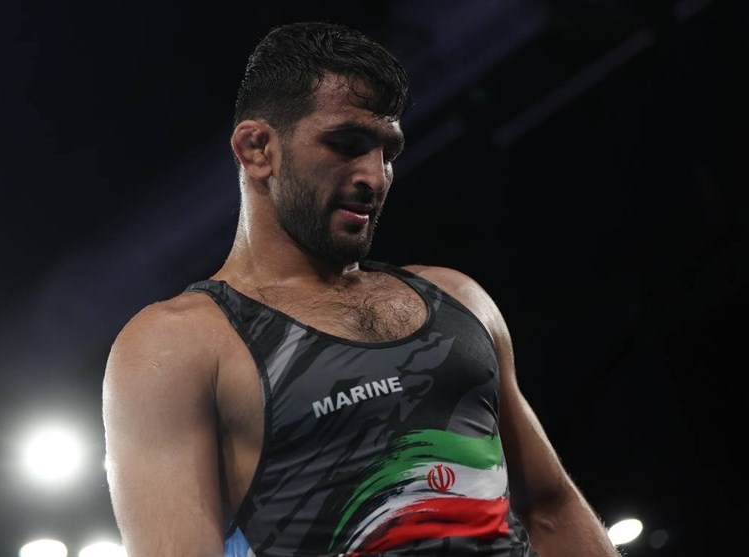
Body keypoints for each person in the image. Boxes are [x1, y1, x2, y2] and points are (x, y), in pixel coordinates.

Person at [102, 20, 621, 557]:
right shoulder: (178, 344)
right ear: (257, 149)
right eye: (346, 144)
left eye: (387, 152)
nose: (375, 176)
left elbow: (551, 507)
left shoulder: (459, 299)